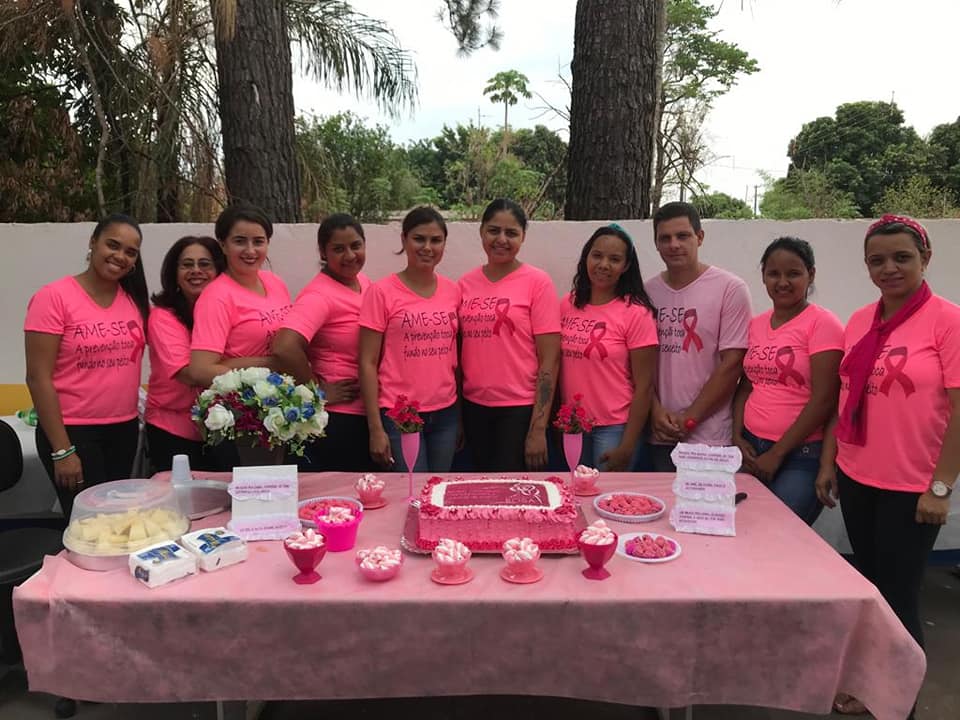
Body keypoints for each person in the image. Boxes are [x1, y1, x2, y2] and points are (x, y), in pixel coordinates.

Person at [815, 215, 960, 718]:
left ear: (925, 258)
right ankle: (869, 686)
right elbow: (845, 398)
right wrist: (831, 463)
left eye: (902, 257)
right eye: (877, 260)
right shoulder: (860, 321)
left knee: (900, 597)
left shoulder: (947, 320)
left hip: (912, 485)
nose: (889, 268)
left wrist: (940, 489)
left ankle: (901, 702)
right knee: (873, 589)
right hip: (858, 477)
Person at [24, 214, 149, 519]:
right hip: (72, 431)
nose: (120, 256)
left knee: (119, 522)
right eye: (113, 245)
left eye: (130, 252)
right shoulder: (54, 297)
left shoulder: (133, 300)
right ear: (93, 243)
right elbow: (38, 377)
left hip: (124, 429)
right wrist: (62, 450)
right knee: (88, 527)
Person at [732, 237, 843, 525]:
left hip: (801, 454)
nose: (782, 282)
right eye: (773, 274)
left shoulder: (823, 324)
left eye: (793, 273)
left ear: (811, 275)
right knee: (739, 528)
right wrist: (737, 436)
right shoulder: (756, 324)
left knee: (777, 534)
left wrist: (778, 453)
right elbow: (746, 386)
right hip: (753, 449)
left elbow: (825, 400)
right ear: (763, 277)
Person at [645, 202, 752, 470]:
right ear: (656, 244)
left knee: (706, 511)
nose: (674, 245)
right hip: (659, 435)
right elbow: (638, 364)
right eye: (664, 238)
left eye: (682, 236)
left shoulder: (730, 288)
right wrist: (655, 411)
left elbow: (732, 364)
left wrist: (690, 419)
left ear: (699, 237)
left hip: (710, 440)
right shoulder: (647, 292)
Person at [458, 199, 560, 471]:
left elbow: (550, 359)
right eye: (494, 231)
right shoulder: (465, 284)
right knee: (479, 490)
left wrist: (538, 428)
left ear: (523, 237)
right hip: (473, 407)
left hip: (519, 409)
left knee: (511, 492)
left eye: (511, 233)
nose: (501, 239)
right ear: (481, 232)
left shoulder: (538, 283)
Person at [358, 207, 460, 473]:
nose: (427, 247)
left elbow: (457, 356)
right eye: (419, 238)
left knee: (437, 492)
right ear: (404, 240)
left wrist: (460, 418)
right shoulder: (381, 292)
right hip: (399, 414)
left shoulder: (453, 290)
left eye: (436, 240)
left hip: (446, 412)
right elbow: (367, 362)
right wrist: (375, 429)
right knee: (410, 495)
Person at [273, 214, 373, 471]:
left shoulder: (362, 282)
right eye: (338, 249)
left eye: (355, 245)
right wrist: (317, 392)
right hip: (338, 420)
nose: (350, 255)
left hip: (365, 410)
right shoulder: (320, 295)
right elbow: (284, 346)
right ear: (323, 252)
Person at [559, 224, 658, 471]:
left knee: (606, 501)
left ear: (626, 266)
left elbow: (644, 386)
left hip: (615, 427)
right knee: (574, 498)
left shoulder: (636, 313)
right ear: (586, 257)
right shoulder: (567, 304)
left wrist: (627, 445)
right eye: (597, 255)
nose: (604, 265)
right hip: (573, 427)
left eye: (614, 259)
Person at [145, 236, 226, 472]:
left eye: (205, 264)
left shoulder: (225, 310)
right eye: (187, 264)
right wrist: (262, 365)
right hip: (173, 429)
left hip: (220, 428)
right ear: (174, 273)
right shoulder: (163, 317)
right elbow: (190, 374)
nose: (196, 271)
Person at [189, 204, 292, 386]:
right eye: (240, 241)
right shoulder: (216, 297)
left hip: (282, 401)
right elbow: (200, 370)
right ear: (223, 245)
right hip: (243, 408)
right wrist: (268, 366)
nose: (250, 251)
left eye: (258, 241)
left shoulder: (276, 283)